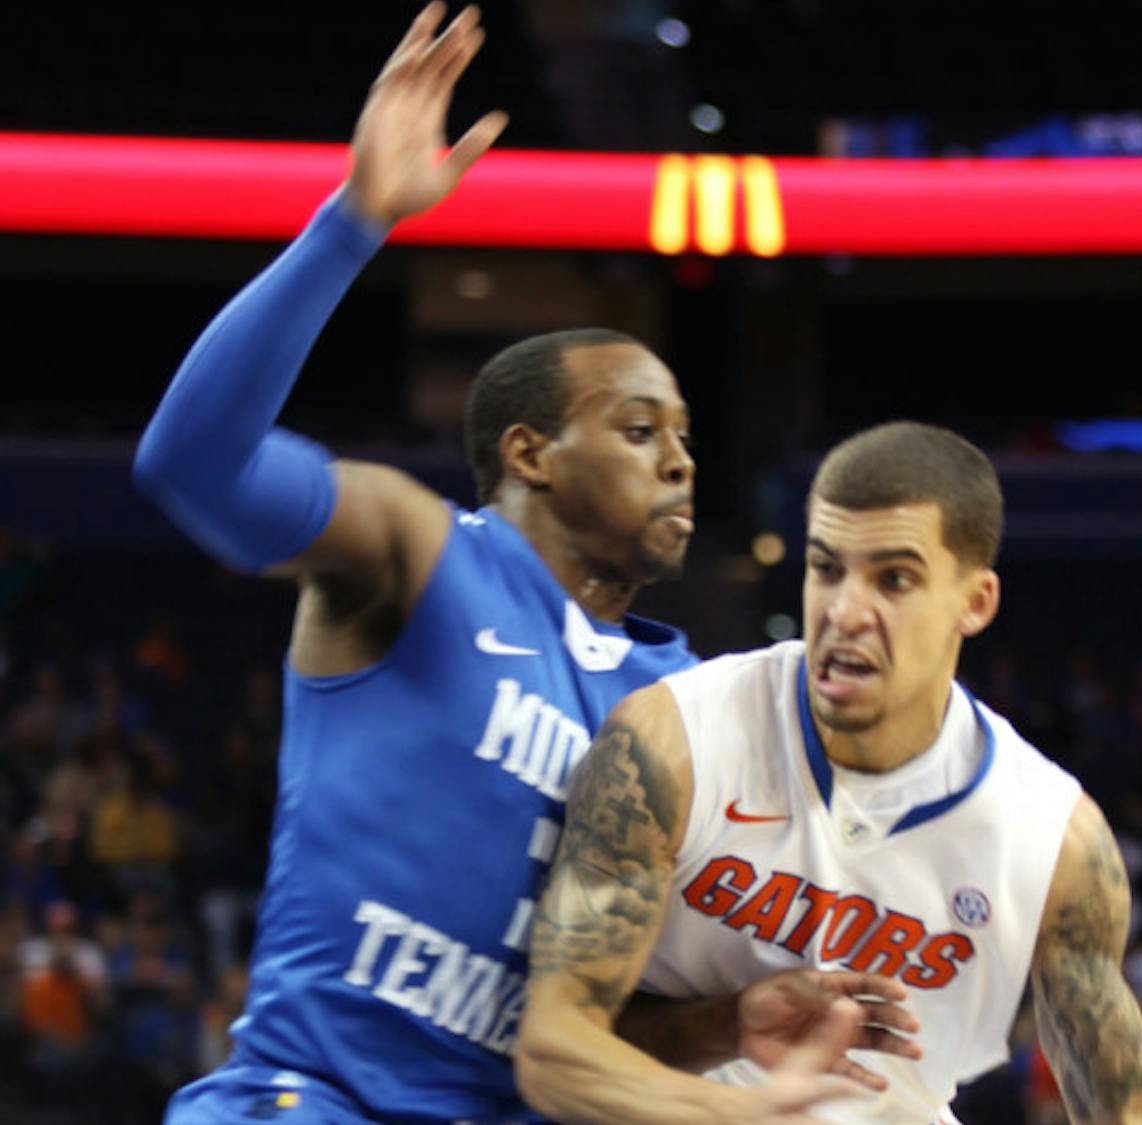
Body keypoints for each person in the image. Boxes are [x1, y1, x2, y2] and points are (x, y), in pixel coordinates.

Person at [135, 6, 910, 1122]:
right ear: (530, 453)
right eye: (642, 431)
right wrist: (352, 224)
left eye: (687, 437)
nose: (682, 464)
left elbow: (576, 1025)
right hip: (308, 1100)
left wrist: (716, 1027)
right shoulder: (416, 553)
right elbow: (192, 466)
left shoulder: (685, 702)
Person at [518, 421, 1142, 1124]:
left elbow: (1131, 1109)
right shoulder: (672, 742)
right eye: (826, 568)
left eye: (894, 579)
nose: (846, 610)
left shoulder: (1052, 840)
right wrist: (726, 1041)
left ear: (974, 602)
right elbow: (556, 1048)